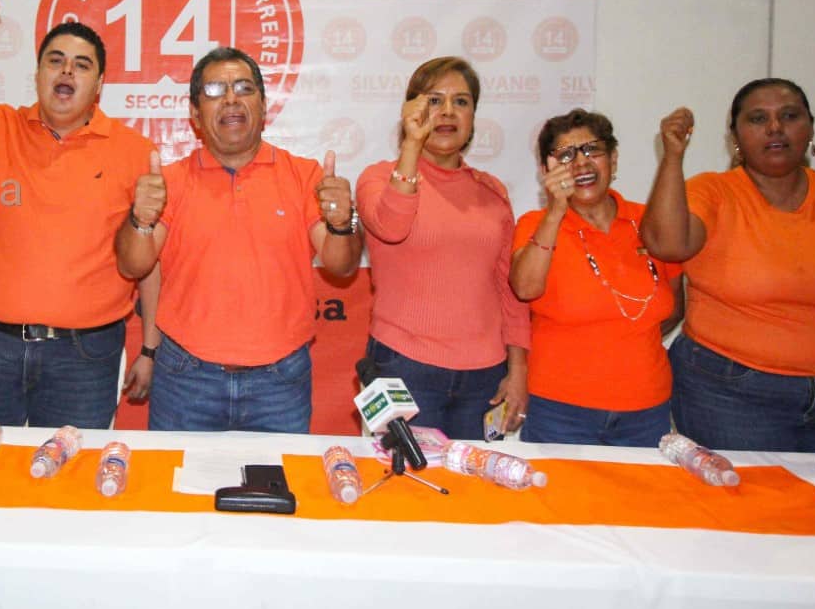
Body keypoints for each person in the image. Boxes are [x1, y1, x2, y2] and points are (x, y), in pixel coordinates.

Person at [0, 0, 158, 429]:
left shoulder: (134, 152)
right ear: (38, 74)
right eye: (55, 60)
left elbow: (148, 260)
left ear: (99, 84)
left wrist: (149, 348)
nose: (67, 71)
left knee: (67, 471)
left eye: (82, 65)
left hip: (83, 358)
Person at [115, 46, 362, 433]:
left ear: (263, 106)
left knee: (276, 475)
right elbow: (133, 265)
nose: (231, 98)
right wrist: (139, 218)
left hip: (279, 383)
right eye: (215, 90)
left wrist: (342, 223)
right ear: (195, 114)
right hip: (186, 379)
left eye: (244, 88)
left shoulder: (304, 176)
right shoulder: (170, 182)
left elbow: (341, 264)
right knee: (176, 476)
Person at [642, 78, 815, 452]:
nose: (775, 128)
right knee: (747, 491)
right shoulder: (713, 191)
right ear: (736, 138)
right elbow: (667, 245)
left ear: (810, 128)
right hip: (729, 393)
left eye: (789, 116)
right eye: (758, 119)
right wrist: (673, 157)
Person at [355, 57, 529, 441]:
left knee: (476, 478)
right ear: (411, 111)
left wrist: (518, 371)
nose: (448, 111)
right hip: (402, 367)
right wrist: (412, 145)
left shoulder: (492, 191)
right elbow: (392, 226)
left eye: (461, 102)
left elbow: (510, 291)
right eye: (434, 101)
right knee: (404, 477)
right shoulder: (378, 178)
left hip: (485, 378)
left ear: (473, 116)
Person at [509, 110, 683, 446]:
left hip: (647, 409)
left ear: (613, 160)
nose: (581, 163)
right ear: (546, 171)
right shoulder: (535, 224)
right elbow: (525, 288)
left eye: (592, 150)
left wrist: (622, 342)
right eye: (565, 155)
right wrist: (556, 211)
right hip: (560, 410)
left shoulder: (649, 221)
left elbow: (676, 308)